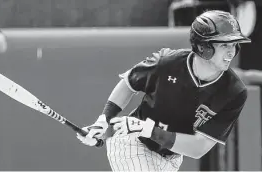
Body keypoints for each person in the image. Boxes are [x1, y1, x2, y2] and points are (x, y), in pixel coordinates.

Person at [76, 10, 251, 171]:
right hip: (133, 143)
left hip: (171, 157)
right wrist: (104, 120)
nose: (231, 52)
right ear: (203, 47)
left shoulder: (234, 92)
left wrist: (148, 129)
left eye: (234, 45)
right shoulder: (166, 62)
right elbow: (128, 83)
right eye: (224, 45)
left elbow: (199, 148)